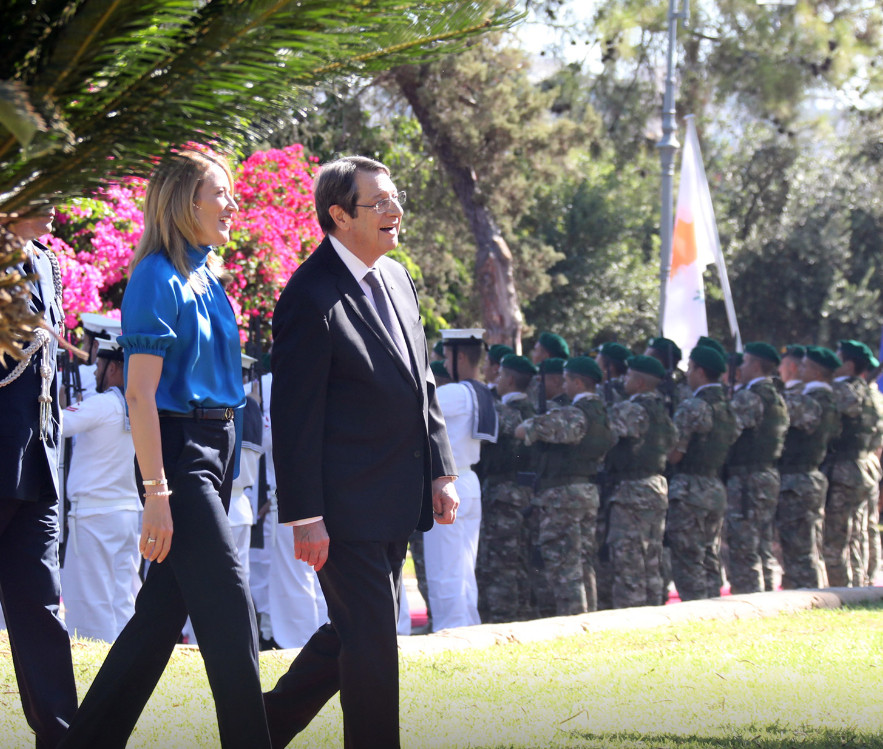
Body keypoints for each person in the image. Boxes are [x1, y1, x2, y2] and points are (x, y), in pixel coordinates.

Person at [58, 150, 270, 748]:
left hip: (218, 444)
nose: (232, 204)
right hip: (180, 453)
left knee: (157, 619)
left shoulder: (208, 274)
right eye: (220, 193)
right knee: (231, 609)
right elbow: (141, 394)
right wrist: (157, 493)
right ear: (185, 202)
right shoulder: (155, 275)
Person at [264, 155, 457, 749]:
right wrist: (306, 516)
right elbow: (293, 417)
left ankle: (259, 728)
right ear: (339, 216)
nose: (395, 213)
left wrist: (441, 468)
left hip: (394, 498)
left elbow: (420, 381)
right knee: (372, 639)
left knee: (352, 632)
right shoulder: (308, 294)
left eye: (396, 199)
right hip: (341, 510)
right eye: (380, 204)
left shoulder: (397, 278)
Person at [0, 207, 78, 748]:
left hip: (37, 461)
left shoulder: (47, 261)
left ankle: (63, 735)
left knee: (41, 604)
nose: (58, 202)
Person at [515, 355, 615, 613]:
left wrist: (531, 423)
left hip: (563, 496)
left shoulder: (573, 414)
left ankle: (574, 619)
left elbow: (525, 431)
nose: (564, 386)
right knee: (583, 562)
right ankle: (588, 615)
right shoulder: (602, 414)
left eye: (568, 380)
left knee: (564, 564)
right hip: (588, 491)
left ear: (579, 383)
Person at [60, 337, 141, 642]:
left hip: (94, 515)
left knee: (89, 600)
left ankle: (96, 665)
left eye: (99, 365)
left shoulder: (104, 403)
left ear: (114, 368)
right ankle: (124, 667)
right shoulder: (140, 407)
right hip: (127, 513)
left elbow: (57, 425)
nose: (95, 372)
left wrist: (58, 400)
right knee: (122, 600)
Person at [423, 328, 497, 632]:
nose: (441, 361)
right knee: (464, 566)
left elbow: (416, 409)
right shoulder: (482, 392)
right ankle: (466, 624)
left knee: (445, 567)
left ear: (460, 356)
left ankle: (450, 629)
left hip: (448, 482)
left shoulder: (455, 393)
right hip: (468, 481)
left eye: (444, 355)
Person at [666, 346, 738, 601]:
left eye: (690, 368)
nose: (687, 374)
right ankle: (713, 607)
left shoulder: (693, 407)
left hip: (690, 488)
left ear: (700, 371)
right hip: (714, 486)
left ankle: (696, 611)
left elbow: (675, 454)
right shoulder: (728, 407)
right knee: (709, 554)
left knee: (688, 557)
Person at [604, 355, 676, 608]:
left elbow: (604, 436)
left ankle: (630, 614)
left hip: (631, 491)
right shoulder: (662, 413)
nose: (624, 380)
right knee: (651, 559)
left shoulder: (631, 410)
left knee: (629, 560)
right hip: (656, 486)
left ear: (641, 383)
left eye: (629, 376)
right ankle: (655, 609)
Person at [475, 354, 537, 623]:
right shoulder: (531, 410)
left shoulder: (503, 411)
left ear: (510, 380)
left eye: (500, 375)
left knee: (501, 560)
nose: (496, 380)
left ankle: (503, 618)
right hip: (520, 492)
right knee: (517, 559)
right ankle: (519, 612)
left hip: (503, 493)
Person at [724, 342, 789, 594]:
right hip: (767, 475)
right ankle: (769, 597)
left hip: (747, 479)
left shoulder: (749, 398)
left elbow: (729, 432)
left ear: (757, 365)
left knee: (744, 547)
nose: (741, 366)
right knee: (763, 545)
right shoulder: (776, 397)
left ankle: (749, 599)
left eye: (746, 362)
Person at [776, 346, 841, 589]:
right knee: (807, 547)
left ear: (815, 371)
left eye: (803, 366)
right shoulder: (829, 400)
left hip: (798, 480)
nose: (798, 370)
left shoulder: (811, 401)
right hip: (810, 477)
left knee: (799, 550)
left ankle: (809, 597)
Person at [823, 339, 881, 587]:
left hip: (845, 469)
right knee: (862, 532)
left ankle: (841, 591)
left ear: (848, 364)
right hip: (868, 466)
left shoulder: (841, 391)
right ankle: (863, 584)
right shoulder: (874, 394)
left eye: (837, 359)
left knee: (837, 536)